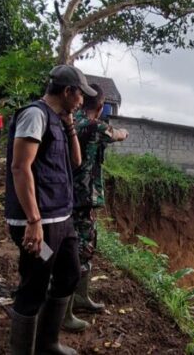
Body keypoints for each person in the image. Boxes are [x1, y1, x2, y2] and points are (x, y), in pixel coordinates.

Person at [5, 64, 97, 355]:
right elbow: (20, 167)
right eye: (80, 94)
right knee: (35, 284)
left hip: (62, 221)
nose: (83, 100)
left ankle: (48, 344)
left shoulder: (58, 121)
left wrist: (70, 126)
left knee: (69, 273)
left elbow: (76, 162)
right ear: (68, 91)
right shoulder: (35, 115)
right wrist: (33, 221)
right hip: (38, 225)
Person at [62, 83, 128, 332]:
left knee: (83, 246)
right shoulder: (93, 126)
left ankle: (80, 297)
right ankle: (66, 313)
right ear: (100, 107)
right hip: (82, 198)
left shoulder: (71, 119)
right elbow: (118, 134)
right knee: (80, 249)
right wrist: (123, 131)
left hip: (66, 195)